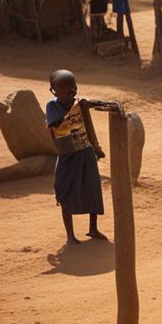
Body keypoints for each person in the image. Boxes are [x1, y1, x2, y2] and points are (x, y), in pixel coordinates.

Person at [45, 70, 106, 244]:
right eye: (64, 87)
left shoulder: (81, 104)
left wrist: (96, 146)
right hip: (67, 156)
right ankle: (70, 235)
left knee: (92, 189)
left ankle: (93, 229)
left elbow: (88, 125)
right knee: (65, 192)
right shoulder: (52, 106)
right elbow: (55, 124)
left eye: (72, 86)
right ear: (54, 91)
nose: (70, 90)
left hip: (85, 152)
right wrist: (76, 108)